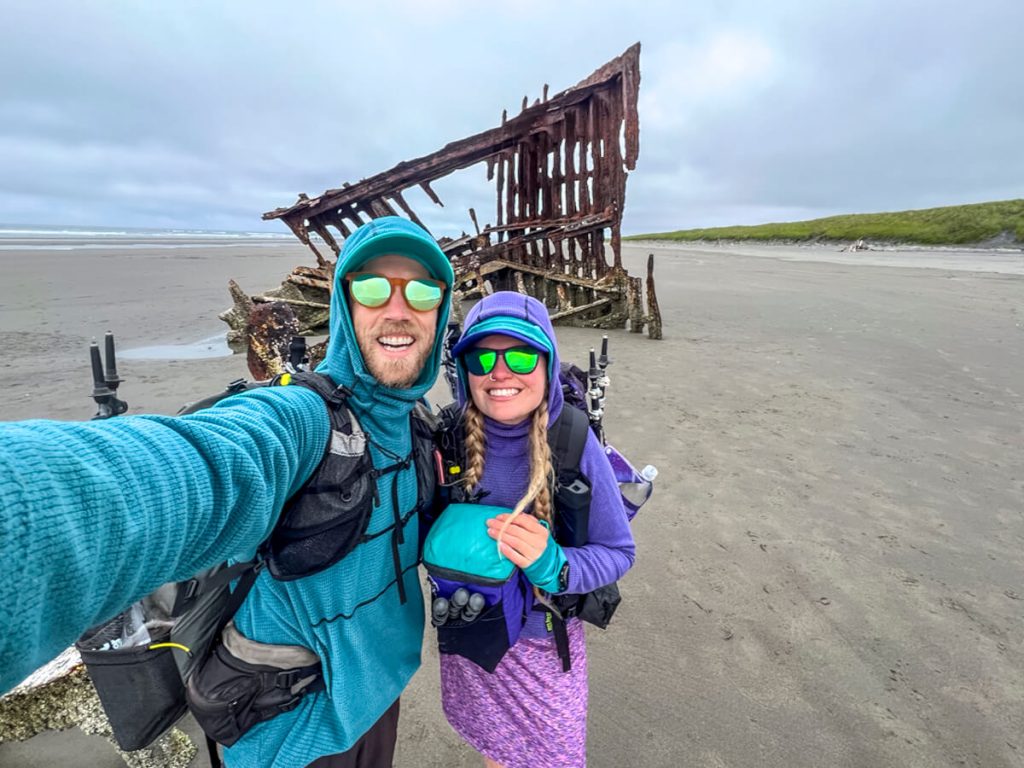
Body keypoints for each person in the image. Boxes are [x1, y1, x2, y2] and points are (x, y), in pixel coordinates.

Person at [0, 216, 454, 767]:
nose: (399, 308)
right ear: (344, 303)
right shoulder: (305, 420)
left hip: (378, 694)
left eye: (424, 290)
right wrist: (30, 514)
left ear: (442, 309)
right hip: (286, 725)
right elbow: (198, 469)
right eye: (374, 287)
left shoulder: (418, 423)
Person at [431, 291, 636, 768]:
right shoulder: (446, 438)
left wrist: (556, 566)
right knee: (496, 751)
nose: (500, 372)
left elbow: (619, 551)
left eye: (520, 355)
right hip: (468, 631)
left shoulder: (573, 441)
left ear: (547, 364)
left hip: (543, 644)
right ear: (466, 372)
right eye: (483, 357)